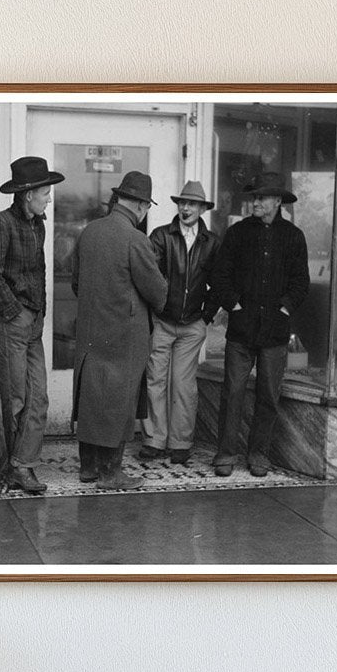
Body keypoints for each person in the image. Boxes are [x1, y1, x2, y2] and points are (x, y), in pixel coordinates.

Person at [71, 171, 168, 490]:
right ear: (141, 205)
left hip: (90, 330)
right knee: (118, 401)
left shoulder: (89, 232)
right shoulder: (136, 239)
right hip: (124, 335)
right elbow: (157, 294)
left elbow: (75, 281)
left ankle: (88, 468)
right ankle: (111, 474)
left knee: (91, 395)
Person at [211, 171, 310, 478]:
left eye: (261, 197)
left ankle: (258, 454)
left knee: (268, 395)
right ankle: (225, 453)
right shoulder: (238, 233)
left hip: (275, 334)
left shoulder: (293, 237)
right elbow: (220, 275)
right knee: (233, 392)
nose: (255, 202)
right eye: (253, 197)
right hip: (241, 330)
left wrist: (284, 309)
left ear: (277, 202)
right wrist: (233, 304)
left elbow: (300, 282)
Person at [0, 156, 64, 494]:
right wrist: (15, 311)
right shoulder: (3, 223)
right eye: (45, 192)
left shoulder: (38, 225)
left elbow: (39, 273)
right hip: (8, 322)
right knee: (16, 399)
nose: (49, 198)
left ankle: (21, 462)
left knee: (38, 397)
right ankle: (20, 468)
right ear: (27, 194)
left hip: (30, 323)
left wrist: (38, 314)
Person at [139, 181, 220, 465]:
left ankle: (180, 442)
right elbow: (148, 276)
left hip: (192, 325)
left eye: (193, 204)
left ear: (201, 209)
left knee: (184, 385)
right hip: (162, 321)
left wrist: (206, 315)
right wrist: (155, 309)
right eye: (182, 203)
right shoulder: (161, 236)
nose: (186, 208)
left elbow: (220, 283)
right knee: (155, 380)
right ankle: (154, 440)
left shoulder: (211, 242)